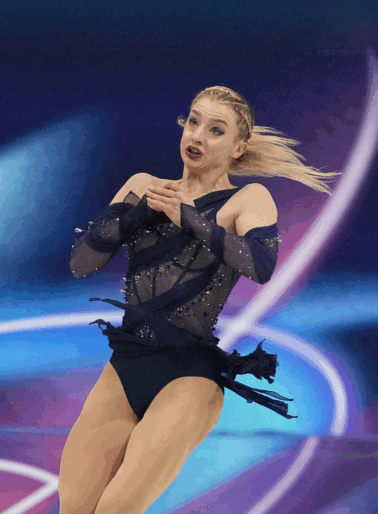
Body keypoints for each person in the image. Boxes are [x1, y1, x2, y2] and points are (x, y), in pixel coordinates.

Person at [58, 86, 339, 514]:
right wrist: (139, 213)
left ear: (238, 147)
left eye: (216, 130)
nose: (198, 135)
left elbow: (260, 266)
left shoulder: (248, 199)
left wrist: (185, 216)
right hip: (124, 368)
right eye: (194, 121)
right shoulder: (144, 186)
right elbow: (82, 262)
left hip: (189, 377)